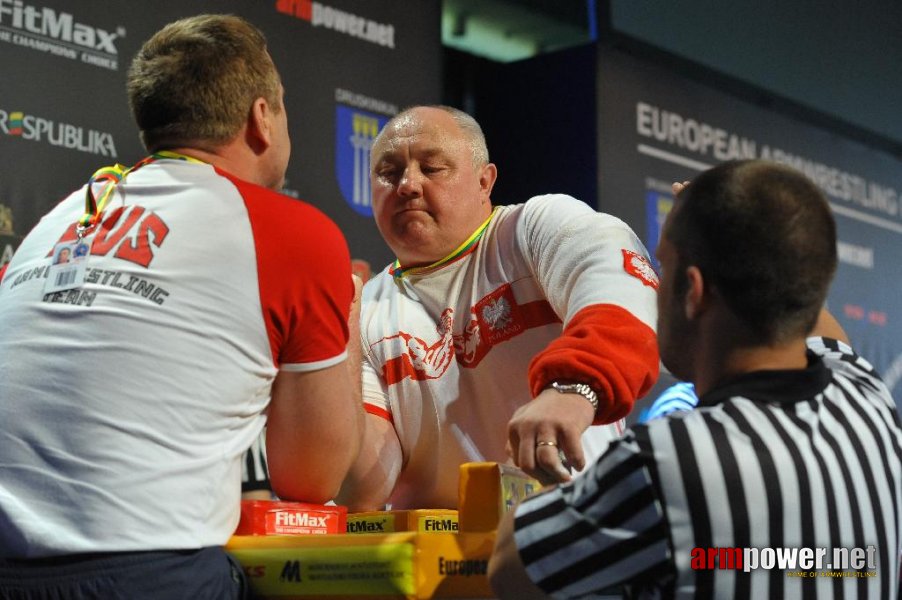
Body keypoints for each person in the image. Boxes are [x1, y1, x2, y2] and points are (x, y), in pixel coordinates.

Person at [0, 14, 362, 598]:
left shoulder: (61, 216)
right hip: (147, 575)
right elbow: (312, 478)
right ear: (261, 119)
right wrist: (351, 313)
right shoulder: (292, 233)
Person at [488, 160, 902, 598]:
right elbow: (810, 315)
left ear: (695, 291)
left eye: (662, 266)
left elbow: (510, 571)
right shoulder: (862, 395)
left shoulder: (667, 460)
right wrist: (736, 229)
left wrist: (540, 478)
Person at [337, 105, 659, 510]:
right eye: (389, 172)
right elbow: (363, 488)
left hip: (572, 533)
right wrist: (340, 347)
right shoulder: (366, 308)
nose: (407, 184)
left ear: (484, 182)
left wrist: (573, 388)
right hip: (439, 561)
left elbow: (625, 297)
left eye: (432, 167)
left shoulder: (535, 229)